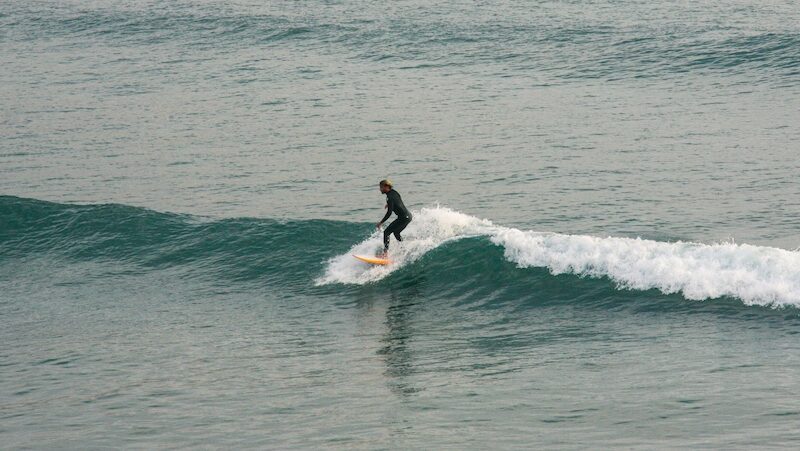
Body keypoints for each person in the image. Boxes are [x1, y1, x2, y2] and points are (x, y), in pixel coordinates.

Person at [376, 179, 412, 257]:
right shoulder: (394, 192)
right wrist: (389, 204)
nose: (380, 189)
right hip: (408, 216)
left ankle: (385, 253)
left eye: (381, 187)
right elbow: (397, 199)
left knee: (386, 232)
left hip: (403, 218)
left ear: (386, 187)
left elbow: (389, 213)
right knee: (396, 233)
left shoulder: (389, 197)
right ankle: (404, 248)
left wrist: (381, 222)